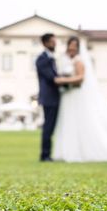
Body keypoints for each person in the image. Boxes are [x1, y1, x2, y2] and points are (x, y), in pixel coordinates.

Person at [35, 33, 61, 161]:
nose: (55, 44)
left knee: (51, 126)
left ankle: (47, 154)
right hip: (49, 98)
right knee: (48, 127)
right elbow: (52, 78)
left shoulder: (50, 58)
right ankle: (45, 155)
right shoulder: (42, 59)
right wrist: (68, 80)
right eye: (52, 42)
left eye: (55, 41)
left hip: (53, 97)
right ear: (45, 43)